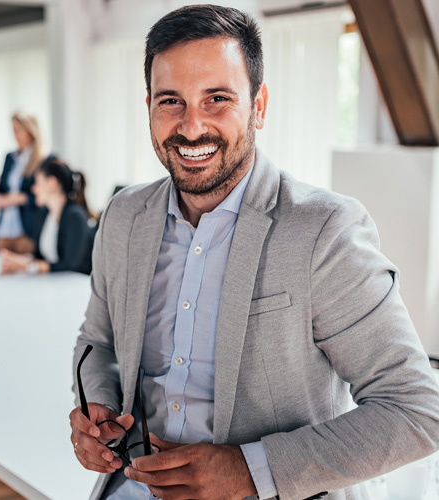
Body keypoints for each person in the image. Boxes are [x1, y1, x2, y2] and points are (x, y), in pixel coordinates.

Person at [69, 5, 439, 500]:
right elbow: (98, 342)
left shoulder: (324, 230)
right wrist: (98, 406)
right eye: (170, 101)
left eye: (217, 98)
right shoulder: (123, 215)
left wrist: (249, 469)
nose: (191, 126)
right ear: (150, 108)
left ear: (259, 105)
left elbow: (416, 409)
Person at [0, 159, 94, 275]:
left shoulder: (75, 217)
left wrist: (30, 266)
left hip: (76, 284)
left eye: (37, 183)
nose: (33, 189)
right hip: (52, 284)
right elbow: (38, 256)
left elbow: (70, 266)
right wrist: (19, 261)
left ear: (52, 184)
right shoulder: (44, 214)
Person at [0, 111, 53, 254]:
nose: (15, 135)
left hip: (27, 231)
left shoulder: (44, 159)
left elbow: (48, 196)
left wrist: (21, 198)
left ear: (30, 131)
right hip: (5, 229)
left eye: (18, 130)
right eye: (13, 130)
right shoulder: (10, 157)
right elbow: (1, 188)